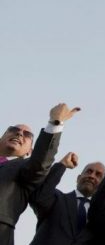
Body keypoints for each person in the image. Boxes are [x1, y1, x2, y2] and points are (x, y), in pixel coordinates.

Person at [0, 103, 80, 245]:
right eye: (14, 130)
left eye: (27, 135)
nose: (19, 134)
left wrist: (55, 122)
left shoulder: (24, 168)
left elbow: (40, 162)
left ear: (29, 152)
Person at [29, 152, 105, 245]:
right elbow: (39, 197)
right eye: (89, 171)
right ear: (78, 178)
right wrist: (63, 164)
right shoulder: (56, 199)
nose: (92, 176)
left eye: (98, 175)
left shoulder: (103, 215)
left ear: (104, 185)